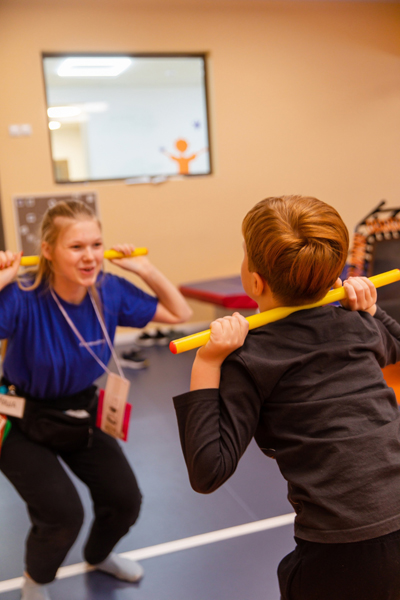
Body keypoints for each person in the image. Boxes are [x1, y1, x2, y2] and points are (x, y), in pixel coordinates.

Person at [172, 195, 400, 600]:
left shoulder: (251, 355)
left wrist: (207, 363)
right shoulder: (359, 325)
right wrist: (371, 310)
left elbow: (208, 471)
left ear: (255, 281)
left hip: (342, 553)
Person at [0, 200, 192, 600]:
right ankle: (36, 581)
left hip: (80, 407)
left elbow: (180, 312)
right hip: (18, 415)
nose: (89, 256)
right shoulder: (22, 295)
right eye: (75, 247)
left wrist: (143, 269)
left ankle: (98, 555)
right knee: (62, 515)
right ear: (48, 251)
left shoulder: (108, 289)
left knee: (124, 501)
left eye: (96, 244)